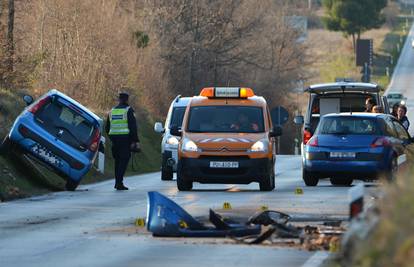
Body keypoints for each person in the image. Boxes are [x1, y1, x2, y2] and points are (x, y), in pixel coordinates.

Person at [106, 92, 140, 190]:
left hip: (114, 140)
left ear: (119, 100)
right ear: (127, 100)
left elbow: (107, 127)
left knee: (117, 161)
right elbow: (133, 127)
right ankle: (119, 183)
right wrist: (135, 140)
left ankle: (117, 182)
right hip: (125, 139)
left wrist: (111, 137)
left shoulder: (112, 111)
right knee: (124, 160)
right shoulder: (128, 110)